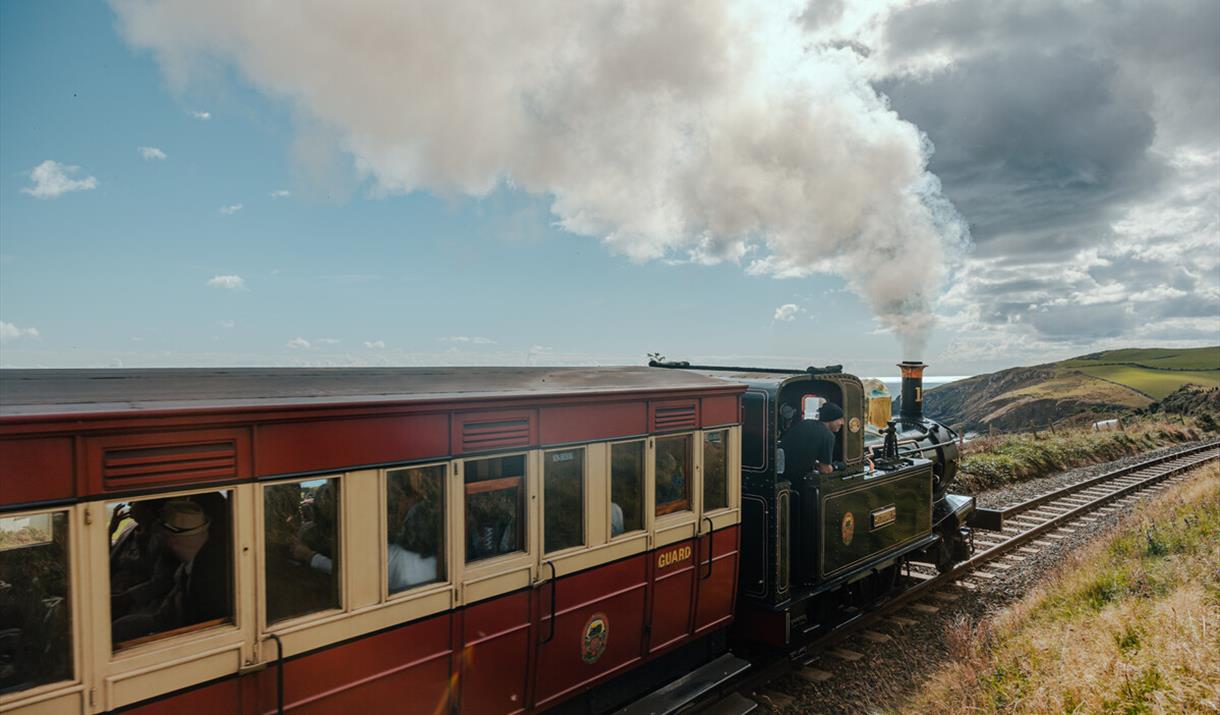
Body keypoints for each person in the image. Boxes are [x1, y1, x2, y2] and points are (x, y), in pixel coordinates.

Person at [781, 401, 845, 478]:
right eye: (839, 419)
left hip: (780, 472)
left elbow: (801, 455)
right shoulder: (828, 435)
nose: (842, 423)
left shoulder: (804, 423)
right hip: (797, 477)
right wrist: (836, 466)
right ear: (831, 418)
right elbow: (825, 469)